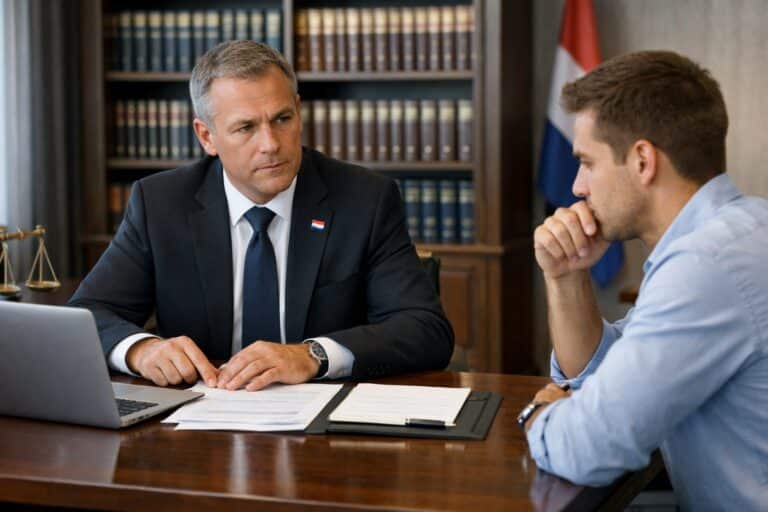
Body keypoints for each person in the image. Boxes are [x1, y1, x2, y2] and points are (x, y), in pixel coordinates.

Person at [69, 40, 453, 392]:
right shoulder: (161, 204)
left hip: (323, 427)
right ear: (207, 137)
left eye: (282, 119)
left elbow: (424, 329)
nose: (270, 144)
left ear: (299, 112)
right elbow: (88, 314)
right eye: (246, 128)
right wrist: (141, 350)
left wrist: (312, 356)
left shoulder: (364, 199)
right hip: (200, 426)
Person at [521, 50, 768, 510]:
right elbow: (606, 373)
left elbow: (588, 448)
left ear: (641, 161)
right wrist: (567, 276)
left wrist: (540, 412)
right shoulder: (733, 232)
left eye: (587, 163)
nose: (576, 187)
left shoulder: (707, 265)